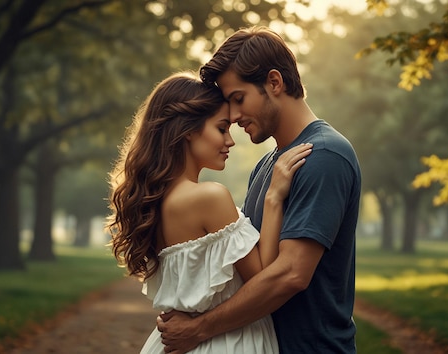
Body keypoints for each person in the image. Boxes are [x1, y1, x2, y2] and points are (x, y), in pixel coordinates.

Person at [157, 27, 362, 354]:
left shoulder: (323, 155)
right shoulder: (268, 166)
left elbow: (290, 274)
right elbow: (246, 269)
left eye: (238, 99)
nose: (234, 117)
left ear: (274, 83)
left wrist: (198, 329)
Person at [106, 71, 312, 353]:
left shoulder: (153, 202)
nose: (230, 141)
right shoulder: (209, 197)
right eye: (221, 128)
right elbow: (263, 277)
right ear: (188, 130)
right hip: (226, 343)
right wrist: (274, 196)